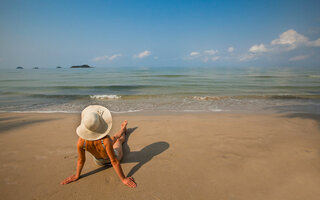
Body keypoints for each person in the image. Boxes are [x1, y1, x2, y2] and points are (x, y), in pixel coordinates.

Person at [60, 105, 137, 188]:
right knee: (118, 140)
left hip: (98, 162)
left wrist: (76, 175)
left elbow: (80, 160)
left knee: (112, 140)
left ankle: (122, 130)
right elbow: (114, 161)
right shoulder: (106, 140)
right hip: (113, 156)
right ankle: (123, 130)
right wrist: (123, 179)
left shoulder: (81, 142)